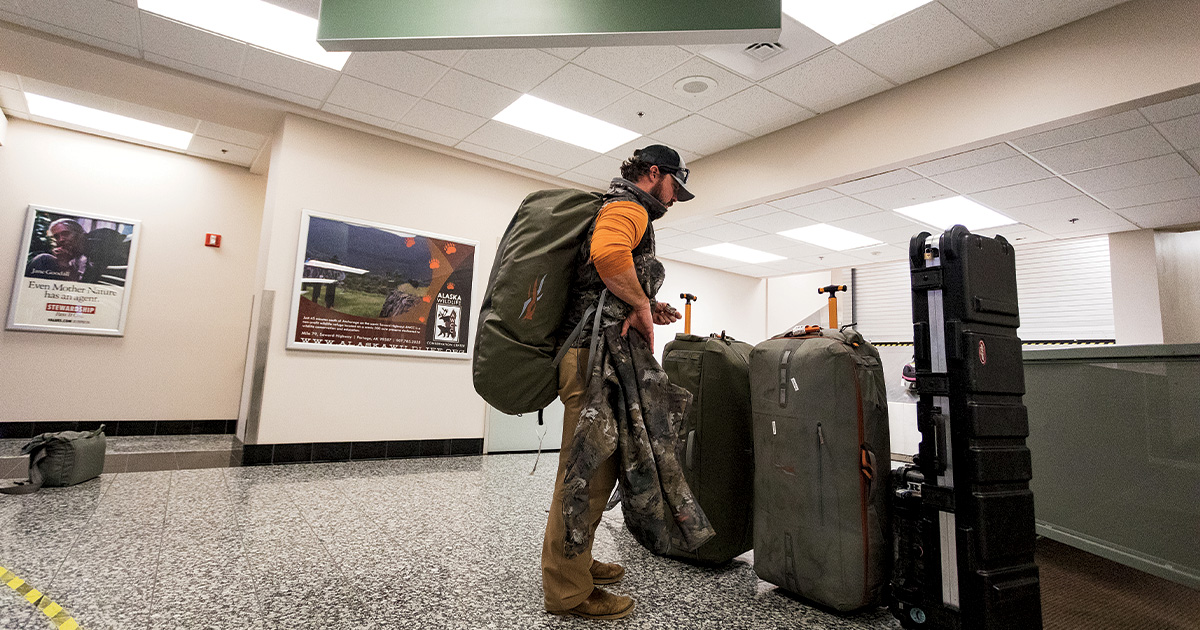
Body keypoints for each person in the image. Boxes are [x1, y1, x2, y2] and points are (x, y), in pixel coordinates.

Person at [543, 144, 694, 620]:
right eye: (674, 186)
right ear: (655, 173)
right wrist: (642, 306)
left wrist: (646, 304)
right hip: (593, 359)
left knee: (599, 467)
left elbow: (605, 281)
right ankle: (568, 590)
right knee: (584, 473)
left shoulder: (625, 208)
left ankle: (579, 560)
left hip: (601, 353)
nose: (674, 199)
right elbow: (608, 255)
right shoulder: (627, 207)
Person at [26, 218, 90, 281]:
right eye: (57, 237)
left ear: (79, 233)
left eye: (66, 233)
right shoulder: (69, 256)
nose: (61, 239)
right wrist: (64, 263)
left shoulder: (92, 253)